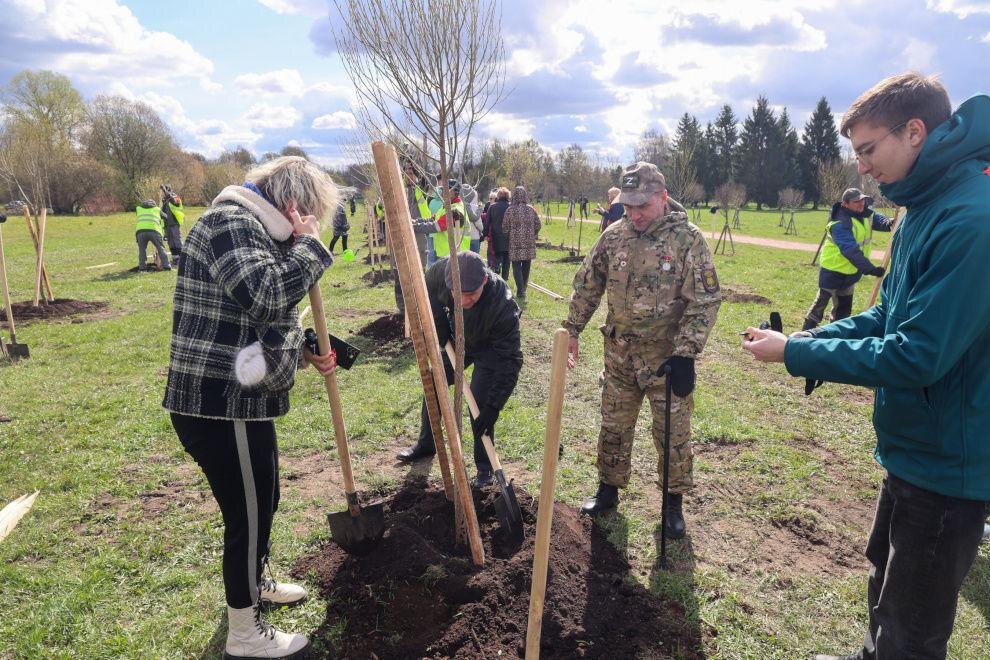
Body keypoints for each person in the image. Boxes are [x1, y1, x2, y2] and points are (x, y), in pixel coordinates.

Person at [742, 73, 990, 660]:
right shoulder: (924, 206)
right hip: (913, 448)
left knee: (913, 626)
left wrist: (797, 353)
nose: (861, 169)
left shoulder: (971, 219)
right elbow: (885, 321)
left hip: (947, 464)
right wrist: (809, 338)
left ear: (914, 131)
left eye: (868, 150)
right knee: (887, 587)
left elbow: (916, 353)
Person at [163, 156, 339, 659]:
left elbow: (257, 318)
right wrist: (308, 247)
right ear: (291, 206)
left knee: (266, 498)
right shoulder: (229, 223)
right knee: (248, 511)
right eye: (308, 219)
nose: (306, 231)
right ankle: (245, 634)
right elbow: (264, 295)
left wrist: (301, 347)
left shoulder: (252, 230)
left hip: (244, 402)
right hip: (220, 405)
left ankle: (255, 583)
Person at [563, 162, 722, 540]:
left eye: (642, 207)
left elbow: (706, 300)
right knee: (614, 423)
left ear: (663, 198)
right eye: (629, 206)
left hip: (666, 360)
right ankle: (608, 490)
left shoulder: (687, 240)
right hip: (619, 354)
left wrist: (686, 354)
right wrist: (572, 329)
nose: (634, 214)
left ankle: (672, 505)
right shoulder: (614, 236)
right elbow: (588, 284)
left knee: (671, 433)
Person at [396, 251, 523, 487]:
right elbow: (426, 289)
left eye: (471, 295)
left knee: (480, 402)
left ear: (485, 280)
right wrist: (440, 323)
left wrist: (494, 407)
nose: (464, 301)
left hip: (489, 348)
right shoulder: (441, 271)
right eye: (458, 294)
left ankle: (485, 468)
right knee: (434, 383)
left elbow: (510, 360)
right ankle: (427, 443)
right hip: (457, 340)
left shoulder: (503, 306)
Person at [802, 187, 893, 331]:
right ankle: (804, 336)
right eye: (856, 201)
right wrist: (871, 269)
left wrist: (890, 223)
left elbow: (880, 220)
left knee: (843, 312)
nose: (861, 203)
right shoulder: (840, 223)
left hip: (851, 273)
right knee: (819, 307)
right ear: (845, 203)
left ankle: (834, 338)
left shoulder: (865, 215)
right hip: (832, 271)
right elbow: (851, 251)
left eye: (862, 200)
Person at [502, 185, 540, 302]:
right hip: (529, 243)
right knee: (526, 265)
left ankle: (521, 290)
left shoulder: (510, 210)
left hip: (515, 243)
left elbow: (505, 227)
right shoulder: (531, 209)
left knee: (516, 266)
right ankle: (523, 289)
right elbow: (538, 225)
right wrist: (532, 235)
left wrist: (509, 236)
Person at [135, 198, 171, 271]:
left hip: (140, 232)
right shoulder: (157, 209)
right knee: (160, 248)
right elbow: (166, 217)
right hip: (154, 231)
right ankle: (166, 266)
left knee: (142, 250)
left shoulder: (138, 209)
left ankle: (142, 268)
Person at [484, 187, 511, 279]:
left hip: (496, 238)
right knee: (507, 261)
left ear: (498, 196)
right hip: (508, 238)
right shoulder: (511, 207)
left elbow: (487, 223)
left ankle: (496, 278)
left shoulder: (492, 207)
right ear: (508, 195)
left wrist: (484, 235)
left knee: (497, 259)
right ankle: (505, 279)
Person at [160, 184, 185, 259]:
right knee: (170, 242)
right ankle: (175, 258)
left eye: (166, 191)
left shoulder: (175, 197)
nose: (164, 193)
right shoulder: (164, 200)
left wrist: (164, 190)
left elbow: (173, 201)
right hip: (167, 224)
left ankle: (182, 258)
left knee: (177, 241)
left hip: (174, 222)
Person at [460, 183, 485, 254]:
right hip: (474, 236)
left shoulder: (459, 204)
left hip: (462, 237)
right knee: (474, 259)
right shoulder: (475, 207)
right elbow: (479, 224)